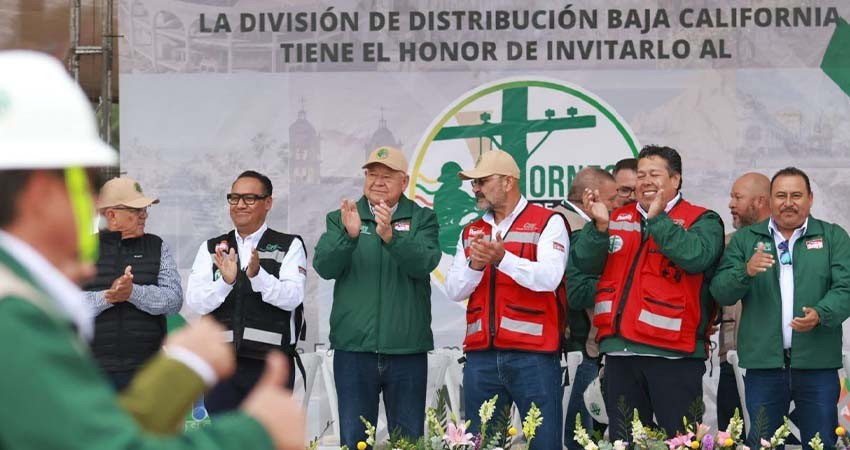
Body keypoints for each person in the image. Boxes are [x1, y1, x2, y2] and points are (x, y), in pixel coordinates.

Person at [0, 49, 304, 450]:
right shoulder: (15, 316)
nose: (93, 207)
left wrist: (178, 370)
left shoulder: (20, 300)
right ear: (42, 194)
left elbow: (95, 433)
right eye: (87, 186)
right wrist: (256, 432)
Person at [573, 145, 724, 437]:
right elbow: (585, 263)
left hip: (674, 355)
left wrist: (658, 220)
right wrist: (599, 228)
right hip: (620, 353)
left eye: (654, 174)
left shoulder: (702, 219)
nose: (645, 181)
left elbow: (697, 258)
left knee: (680, 440)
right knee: (623, 440)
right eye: (641, 175)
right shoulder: (615, 217)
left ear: (676, 180)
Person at [710, 167, 850, 450]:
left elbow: (845, 288)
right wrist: (746, 272)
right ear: (769, 201)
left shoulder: (833, 237)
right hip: (764, 366)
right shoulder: (746, 239)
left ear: (810, 198)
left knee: (821, 442)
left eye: (796, 195)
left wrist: (821, 314)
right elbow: (720, 289)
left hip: (818, 365)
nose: (789, 202)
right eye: (781, 195)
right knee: (764, 442)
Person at [313, 145, 441, 448]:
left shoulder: (423, 219)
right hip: (354, 351)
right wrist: (349, 236)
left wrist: (391, 238)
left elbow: (425, 262)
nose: (378, 181)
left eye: (387, 175)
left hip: (406, 350)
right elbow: (324, 266)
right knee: (355, 441)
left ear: (404, 182)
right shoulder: (342, 218)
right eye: (372, 174)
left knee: (408, 441)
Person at [445, 149, 569, 449]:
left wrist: (503, 259)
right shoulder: (471, 230)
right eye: (473, 183)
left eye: (482, 181)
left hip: (534, 356)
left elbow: (550, 277)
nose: (475, 188)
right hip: (481, 357)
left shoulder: (548, 221)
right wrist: (476, 265)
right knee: (483, 444)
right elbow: (454, 289)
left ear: (508, 182)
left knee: (544, 443)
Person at [186, 170, 307, 413]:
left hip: (270, 364)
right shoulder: (211, 247)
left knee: (265, 440)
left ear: (268, 203)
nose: (240, 205)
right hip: (221, 366)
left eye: (250, 198)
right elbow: (196, 301)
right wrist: (225, 283)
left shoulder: (289, 244)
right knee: (224, 440)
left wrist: (257, 275)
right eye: (234, 198)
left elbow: (293, 297)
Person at [83, 176, 183, 390]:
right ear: (111, 215)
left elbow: (173, 300)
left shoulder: (157, 246)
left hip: (148, 370)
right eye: (137, 210)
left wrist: (132, 292)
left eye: (145, 209)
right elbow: (62, 304)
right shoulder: (83, 250)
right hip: (92, 372)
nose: (144, 215)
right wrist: (108, 296)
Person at [554, 167, 617, 450]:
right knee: (579, 437)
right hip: (577, 344)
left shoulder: (567, 221)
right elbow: (576, 292)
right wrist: (622, 287)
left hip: (578, 344)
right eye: (613, 197)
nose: (617, 205)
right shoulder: (572, 226)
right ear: (591, 197)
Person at [716, 172, 770, 432]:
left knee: (771, 436)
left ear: (760, 202)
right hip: (730, 356)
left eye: (737, 197)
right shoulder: (726, 244)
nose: (730, 204)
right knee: (731, 437)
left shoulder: (784, 243)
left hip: (772, 362)